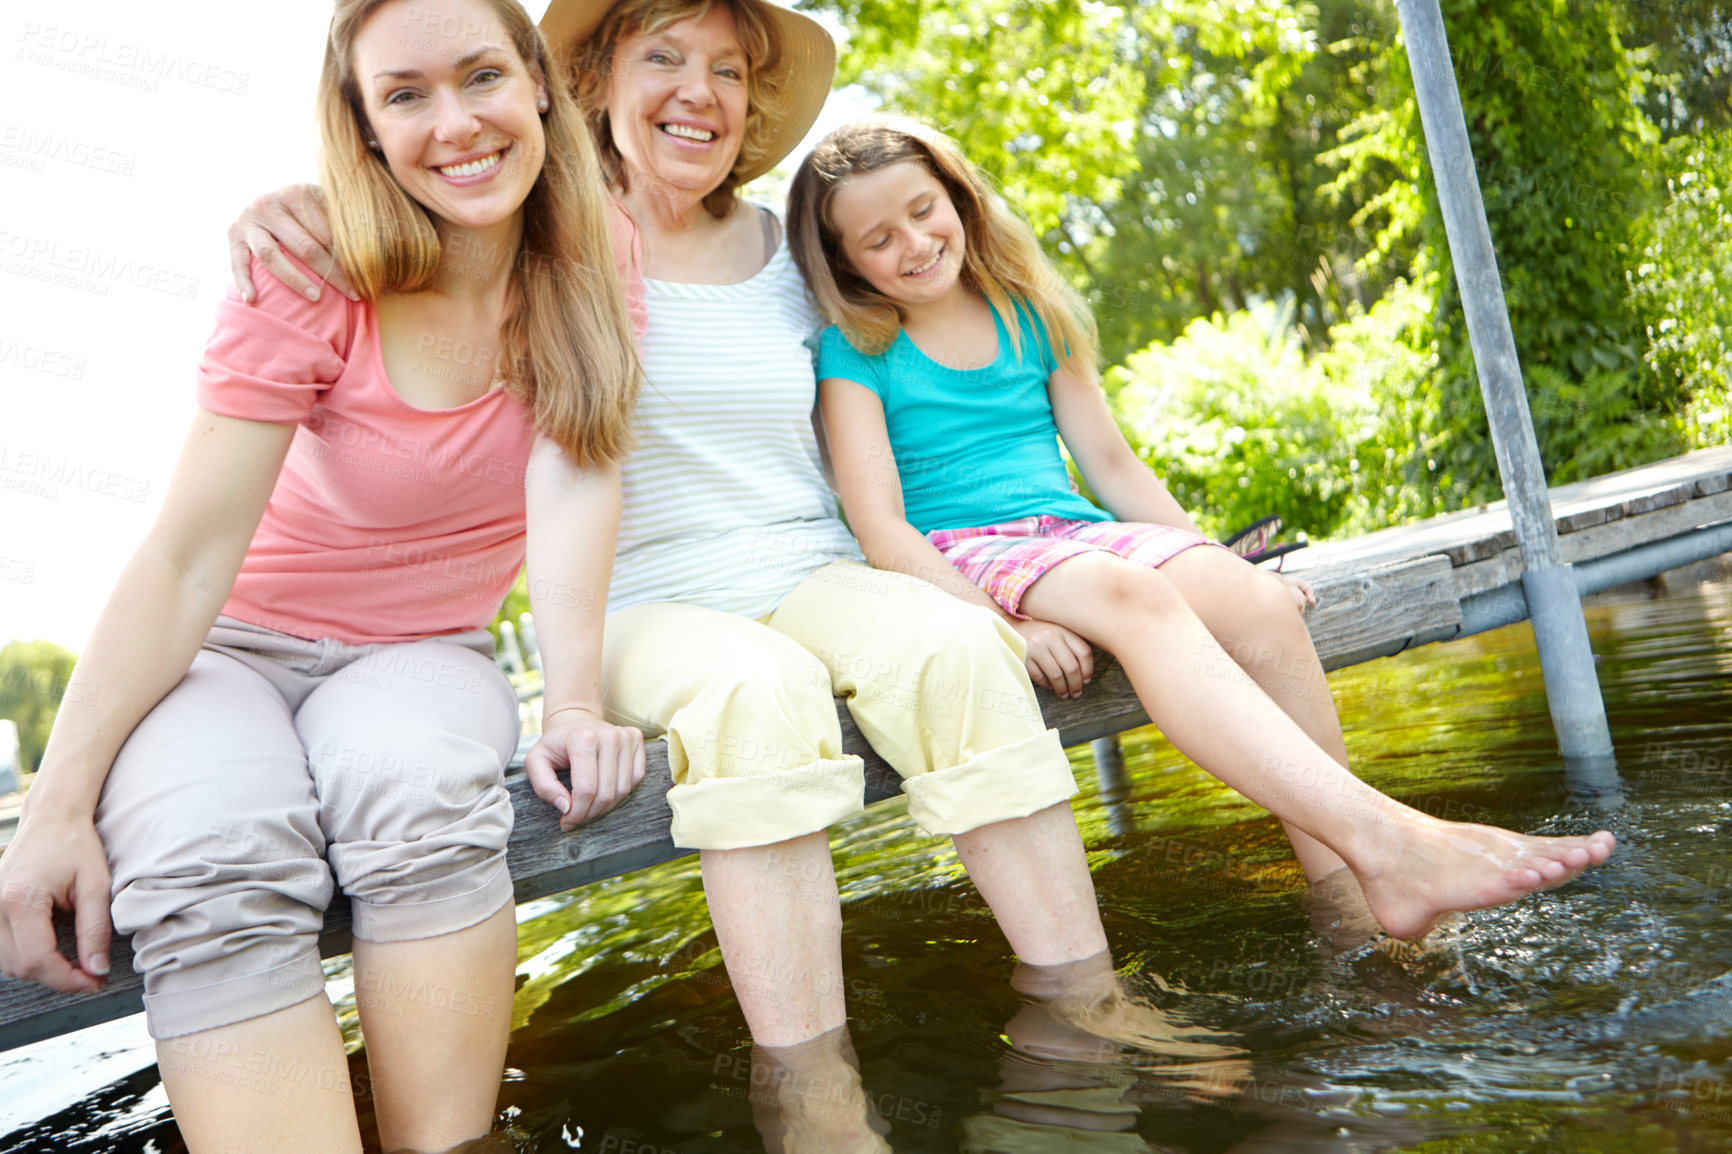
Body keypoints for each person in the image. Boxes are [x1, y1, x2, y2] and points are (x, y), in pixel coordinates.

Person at [229, 0, 1118, 1086]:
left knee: (952, 649)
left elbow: (935, 376)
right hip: (638, 604)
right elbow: (400, 194)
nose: (699, 91)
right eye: (665, 58)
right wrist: (296, 203)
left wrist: (1028, 573)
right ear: (593, 80)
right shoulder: (538, 231)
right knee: (752, 689)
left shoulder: (799, 254)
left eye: (728, 70)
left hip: (812, 570)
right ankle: (812, 1089)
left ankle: (1089, 1021)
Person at [0, 2, 644, 1151]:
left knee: (418, 795)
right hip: (225, 652)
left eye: (482, 75)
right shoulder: (303, 266)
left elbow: (574, 483)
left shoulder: (598, 260)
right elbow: (189, 555)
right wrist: (53, 806)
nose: (455, 123)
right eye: (403, 94)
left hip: (417, 653)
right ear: (361, 124)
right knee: (211, 855)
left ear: (540, 82)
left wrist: (578, 698)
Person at [787, 116, 1618, 942]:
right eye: (878, 239)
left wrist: (1217, 562)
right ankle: (1389, 843)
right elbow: (882, 529)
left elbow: (1112, 469)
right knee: (1129, 589)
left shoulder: (1029, 313)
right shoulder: (857, 349)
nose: (914, 243)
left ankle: (1353, 896)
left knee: (1257, 605)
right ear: (846, 265)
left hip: (1069, 532)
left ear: (959, 200)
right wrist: (1003, 624)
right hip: (965, 557)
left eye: (923, 210)